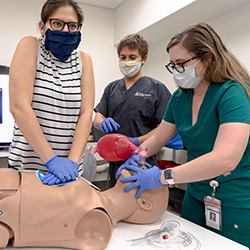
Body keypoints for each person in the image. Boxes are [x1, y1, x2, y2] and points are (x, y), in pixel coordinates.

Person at [116, 22, 250, 247]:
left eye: (181, 63)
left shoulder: (232, 93)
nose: (177, 70)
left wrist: (162, 177)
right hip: (196, 193)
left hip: (235, 197)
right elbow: (159, 137)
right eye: (173, 64)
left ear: (206, 57)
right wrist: (138, 155)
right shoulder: (180, 98)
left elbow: (226, 158)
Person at [8, 0, 95, 185]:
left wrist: (72, 162)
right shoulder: (30, 47)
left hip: (70, 173)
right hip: (28, 170)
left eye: (72, 26)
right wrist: (52, 160)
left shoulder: (84, 60)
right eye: (57, 23)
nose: (65, 30)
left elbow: (86, 113)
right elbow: (19, 107)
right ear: (42, 26)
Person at [0, 167, 169, 250]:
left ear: (145, 204)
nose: (141, 167)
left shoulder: (99, 225)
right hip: (12, 183)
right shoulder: (95, 196)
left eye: (147, 175)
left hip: (9, 206)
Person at [94, 33, 172, 187]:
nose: (127, 62)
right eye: (123, 57)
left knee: (140, 202)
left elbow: (163, 128)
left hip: (142, 158)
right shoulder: (112, 88)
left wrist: (137, 141)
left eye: (132, 57)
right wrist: (102, 123)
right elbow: (98, 117)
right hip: (115, 158)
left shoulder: (157, 89)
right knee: (116, 201)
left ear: (143, 59)